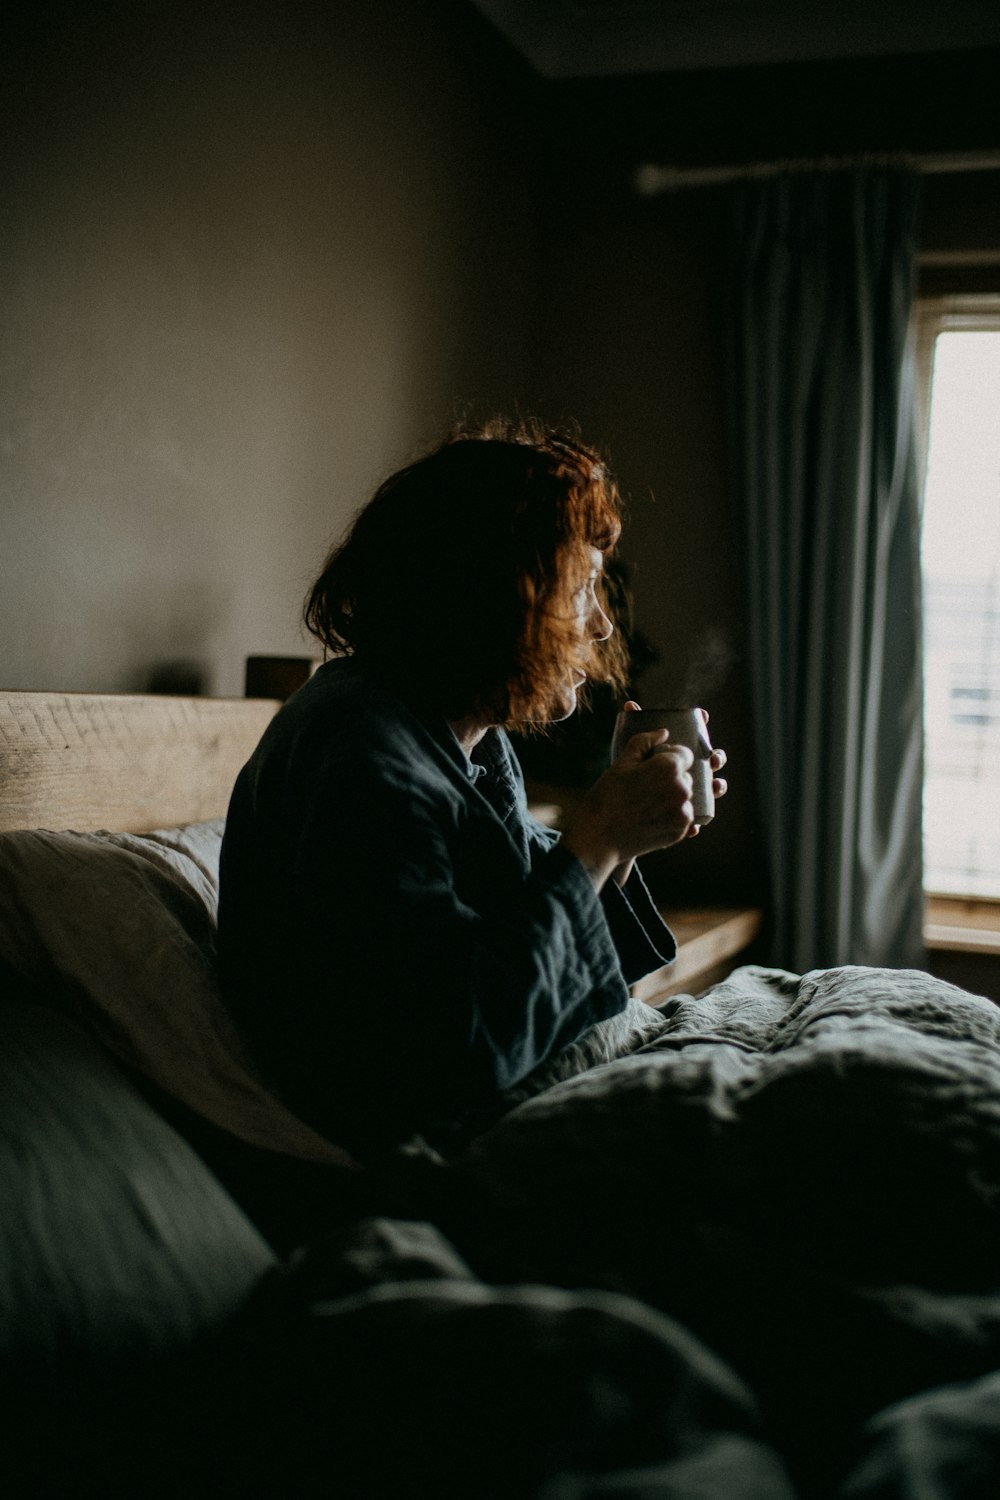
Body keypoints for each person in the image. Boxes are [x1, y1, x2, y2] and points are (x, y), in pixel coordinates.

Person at [217, 420, 727, 1162]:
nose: (603, 621)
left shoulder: (462, 733)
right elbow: (450, 1052)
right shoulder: (358, 756)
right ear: (496, 593)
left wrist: (628, 827)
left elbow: (520, 914)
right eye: (581, 589)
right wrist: (601, 836)